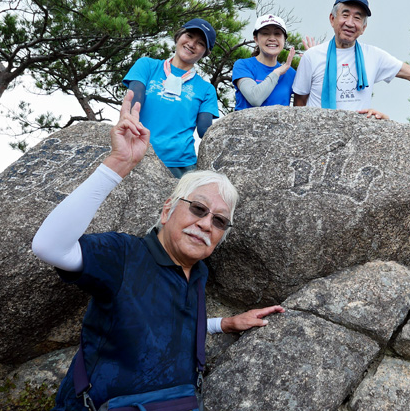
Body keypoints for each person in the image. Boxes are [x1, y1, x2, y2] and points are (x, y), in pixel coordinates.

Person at [32, 90, 283, 410]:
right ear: (167, 210)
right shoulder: (124, 255)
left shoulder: (198, 271)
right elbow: (49, 246)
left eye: (219, 221)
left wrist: (227, 324)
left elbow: (168, 320)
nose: (207, 224)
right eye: (198, 208)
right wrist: (118, 164)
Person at [123, 18, 220, 178]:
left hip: (181, 167)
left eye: (201, 43)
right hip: (138, 154)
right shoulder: (147, 65)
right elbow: (134, 101)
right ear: (179, 35)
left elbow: (206, 132)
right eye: (189, 36)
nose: (192, 44)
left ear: (205, 52)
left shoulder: (206, 89)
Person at [232, 14, 297, 110]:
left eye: (277, 34)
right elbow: (255, 98)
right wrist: (276, 73)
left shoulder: (291, 73)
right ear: (256, 39)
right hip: (246, 124)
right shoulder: (243, 65)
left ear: (284, 40)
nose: (272, 38)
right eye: (265, 33)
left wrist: (312, 61)